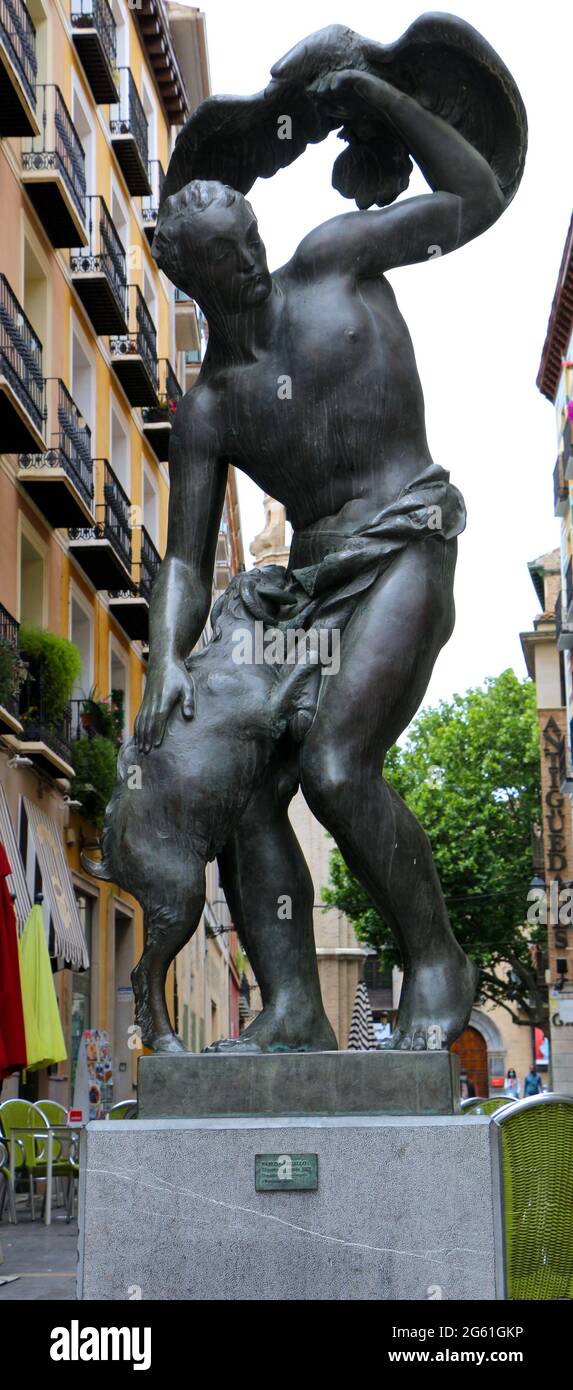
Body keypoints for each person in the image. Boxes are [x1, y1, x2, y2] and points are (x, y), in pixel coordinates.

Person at [133, 65, 508, 1055]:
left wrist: (385, 100)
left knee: (341, 765)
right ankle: (294, 1003)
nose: (255, 271)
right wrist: (167, 658)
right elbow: (182, 559)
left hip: (407, 546)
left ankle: (434, 959)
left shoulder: (335, 261)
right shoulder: (209, 409)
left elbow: (472, 199)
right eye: (230, 267)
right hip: (305, 597)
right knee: (251, 785)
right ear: (198, 283)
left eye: (252, 248)